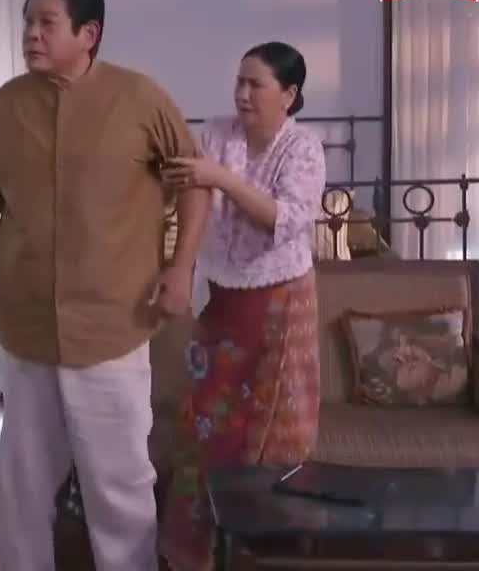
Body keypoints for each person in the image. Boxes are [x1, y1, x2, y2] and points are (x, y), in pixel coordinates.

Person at [0, 0, 211, 571]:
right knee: (20, 480)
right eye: (27, 21)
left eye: (47, 23)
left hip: (112, 326)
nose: (31, 34)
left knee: (117, 482)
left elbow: (196, 184)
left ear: (88, 33)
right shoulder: (7, 105)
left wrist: (181, 268)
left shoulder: (141, 99)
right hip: (27, 328)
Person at [158, 41, 326, 571]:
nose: (243, 93)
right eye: (240, 82)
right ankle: (193, 551)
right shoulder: (217, 134)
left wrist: (221, 179)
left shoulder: (303, 149)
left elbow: (282, 220)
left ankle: (263, 553)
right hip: (223, 299)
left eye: (256, 84)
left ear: (289, 94)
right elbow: (190, 194)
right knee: (203, 418)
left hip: (281, 304)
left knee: (274, 428)